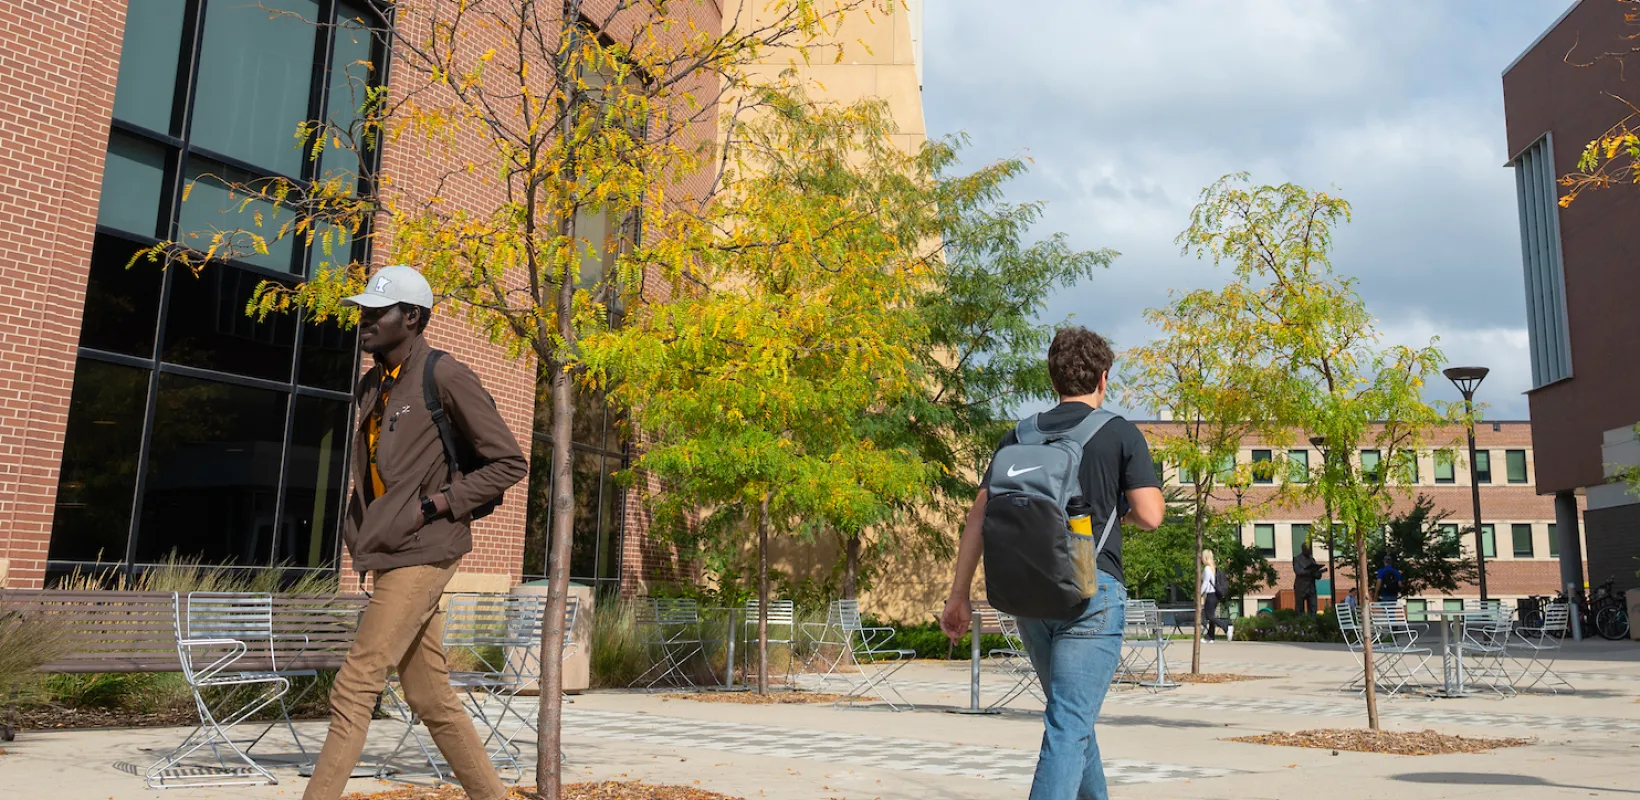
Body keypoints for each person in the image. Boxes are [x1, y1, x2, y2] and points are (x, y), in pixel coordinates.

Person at [301, 265, 527, 800]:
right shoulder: (373, 384)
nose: (366, 321)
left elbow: (508, 462)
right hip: (390, 549)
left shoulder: (443, 374)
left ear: (413, 317)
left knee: (356, 683)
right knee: (432, 699)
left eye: (378, 312)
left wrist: (436, 505)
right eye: (363, 311)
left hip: (426, 547)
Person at [940, 327, 1165, 800]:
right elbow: (1151, 514)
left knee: (1072, 719)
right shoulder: (1119, 432)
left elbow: (978, 516)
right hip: (1091, 592)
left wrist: (959, 596)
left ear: (1054, 379)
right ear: (1104, 378)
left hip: (1029, 597)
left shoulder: (1018, 436)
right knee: (1069, 723)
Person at [1200, 549, 1228, 643]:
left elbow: (1205, 583)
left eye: (1202, 556)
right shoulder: (1213, 568)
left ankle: (1226, 626)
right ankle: (1210, 637)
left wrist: (1199, 594)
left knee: (1209, 616)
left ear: (1206, 557)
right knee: (1211, 616)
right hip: (1215, 595)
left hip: (1211, 595)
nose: (1201, 558)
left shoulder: (1207, 569)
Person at [1293, 543, 1323, 615]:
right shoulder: (1297, 559)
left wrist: (1318, 573)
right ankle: (1301, 623)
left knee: (1313, 608)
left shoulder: (1312, 559)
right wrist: (1309, 571)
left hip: (1311, 587)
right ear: (1303, 549)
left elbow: (1316, 575)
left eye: (1310, 549)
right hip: (1301, 587)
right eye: (1307, 549)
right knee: (1300, 609)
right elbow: (1298, 571)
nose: (1309, 551)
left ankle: (1312, 624)